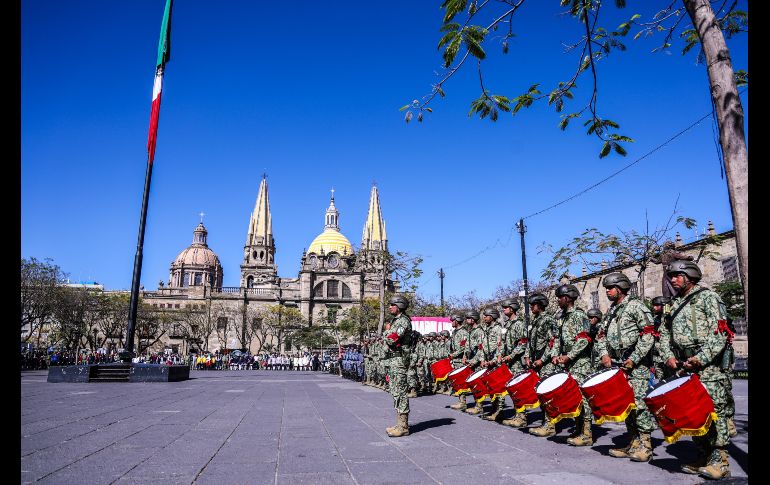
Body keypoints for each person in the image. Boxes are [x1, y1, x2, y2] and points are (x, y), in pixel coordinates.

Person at [658, 260, 734, 479]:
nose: (673, 280)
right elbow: (663, 333)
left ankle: (721, 462)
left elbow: (720, 332)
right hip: (683, 366)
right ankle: (703, 455)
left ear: (690, 275)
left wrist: (701, 358)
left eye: (677, 275)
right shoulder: (671, 304)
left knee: (713, 411)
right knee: (693, 413)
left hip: (707, 366)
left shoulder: (708, 298)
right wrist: (668, 356)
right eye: (671, 276)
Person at [595, 272, 657, 461]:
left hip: (636, 366)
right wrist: (604, 354)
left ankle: (646, 445)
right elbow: (601, 336)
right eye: (606, 288)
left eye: (610, 288)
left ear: (620, 288)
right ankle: (633, 442)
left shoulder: (636, 306)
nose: (607, 291)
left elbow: (648, 334)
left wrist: (635, 358)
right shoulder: (611, 311)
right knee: (627, 405)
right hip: (617, 365)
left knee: (639, 405)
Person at [541, 284, 593, 446]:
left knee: (583, 398)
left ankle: (587, 433)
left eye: (560, 297)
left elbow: (584, 339)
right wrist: (555, 355)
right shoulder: (560, 317)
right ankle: (578, 430)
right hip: (566, 364)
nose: (557, 300)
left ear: (568, 298)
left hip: (580, 363)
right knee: (573, 397)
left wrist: (569, 356)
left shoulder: (579, 316)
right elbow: (556, 339)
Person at [526, 293, 561, 437]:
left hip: (545, 363)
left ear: (540, 305)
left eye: (533, 305)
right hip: (536, 362)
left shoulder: (548, 320)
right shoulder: (535, 321)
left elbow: (552, 342)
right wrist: (527, 356)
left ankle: (550, 425)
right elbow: (530, 342)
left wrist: (543, 359)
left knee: (547, 394)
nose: (531, 307)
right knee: (540, 393)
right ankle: (545, 422)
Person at [383, 295, 414, 437]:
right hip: (394, 360)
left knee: (400, 392)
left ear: (399, 306)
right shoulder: (397, 321)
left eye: (392, 304)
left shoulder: (403, 321)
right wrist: (389, 331)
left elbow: (392, 338)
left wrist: (386, 332)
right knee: (396, 392)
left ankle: (403, 426)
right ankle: (399, 423)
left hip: (400, 360)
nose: (390, 307)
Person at [499, 299, 529, 427]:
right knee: (512, 390)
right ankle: (518, 415)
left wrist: (510, 356)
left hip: (517, 362)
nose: (503, 310)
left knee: (519, 390)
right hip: (509, 362)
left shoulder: (519, 324)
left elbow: (523, 344)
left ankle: (522, 417)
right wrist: (501, 355)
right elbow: (503, 343)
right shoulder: (506, 325)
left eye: (505, 308)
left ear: (512, 309)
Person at [462, 310, 486, 415]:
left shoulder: (479, 331)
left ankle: (479, 406)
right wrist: (464, 357)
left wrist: (475, 360)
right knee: (473, 384)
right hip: (470, 360)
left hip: (476, 361)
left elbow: (481, 348)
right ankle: (477, 405)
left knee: (478, 384)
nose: (466, 320)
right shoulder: (470, 330)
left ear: (473, 319)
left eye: (468, 318)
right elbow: (467, 346)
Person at [448, 313, 470, 410]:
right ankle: (460, 401)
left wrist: (454, 354)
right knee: (457, 381)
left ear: (457, 321)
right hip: (455, 360)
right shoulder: (455, 332)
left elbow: (463, 347)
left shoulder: (463, 332)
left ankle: (463, 402)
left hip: (461, 360)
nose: (451, 322)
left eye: (453, 320)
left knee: (461, 381)